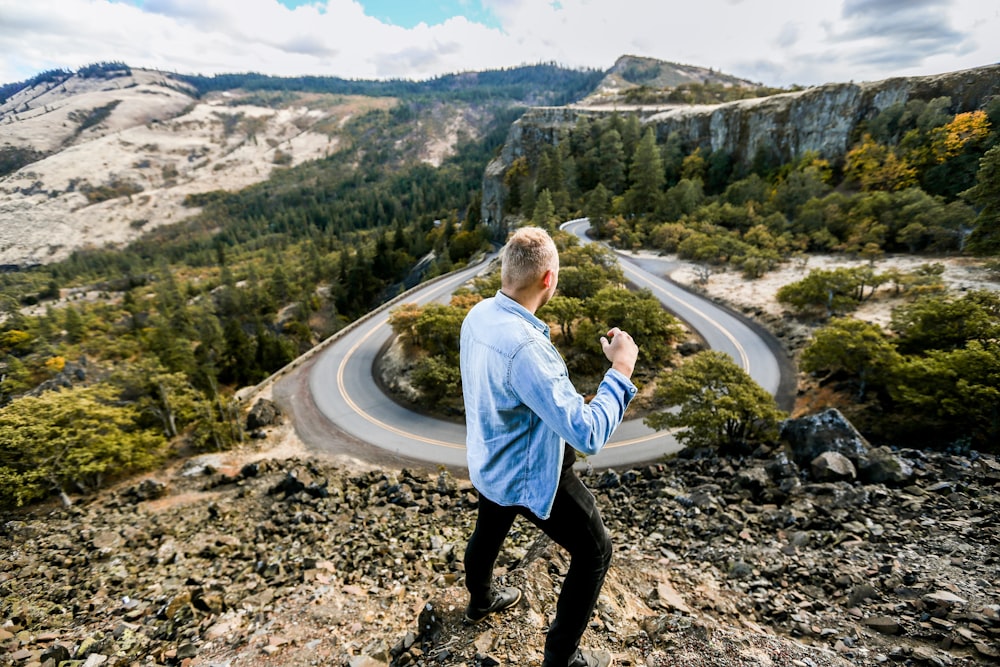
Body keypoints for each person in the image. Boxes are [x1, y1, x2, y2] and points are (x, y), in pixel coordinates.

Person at [459, 226, 639, 667]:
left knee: (489, 528)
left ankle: (481, 600)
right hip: (533, 472)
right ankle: (561, 657)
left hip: (490, 460)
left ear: (506, 271)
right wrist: (621, 368)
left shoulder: (478, 315)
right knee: (596, 551)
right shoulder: (527, 348)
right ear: (548, 279)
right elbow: (588, 435)